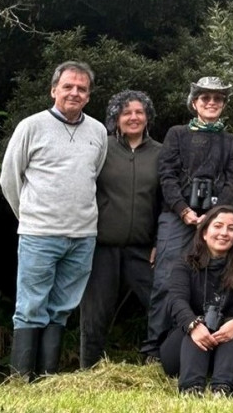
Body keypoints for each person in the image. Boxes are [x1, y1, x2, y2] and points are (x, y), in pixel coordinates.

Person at [0, 61, 107, 379]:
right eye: (68, 86)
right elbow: (9, 179)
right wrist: (30, 215)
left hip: (83, 234)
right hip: (39, 233)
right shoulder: (30, 127)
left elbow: (93, 174)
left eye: (82, 88)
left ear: (88, 96)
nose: (75, 92)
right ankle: (21, 379)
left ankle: (47, 379)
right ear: (54, 90)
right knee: (31, 307)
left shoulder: (98, 131)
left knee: (61, 308)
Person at [142, 77, 233, 359]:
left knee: (210, 282)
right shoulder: (177, 134)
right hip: (176, 217)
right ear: (194, 102)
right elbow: (167, 175)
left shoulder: (232, 142)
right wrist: (183, 210)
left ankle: (200, 343)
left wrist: (213, 217)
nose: (211, 103)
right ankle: (155, 347)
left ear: (223, 104)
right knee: (165, 280)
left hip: (215, 222)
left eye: (218, 98)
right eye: (205, 98)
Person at [79, 90, 162, 368]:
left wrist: (159, 241)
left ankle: (156, 361)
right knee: (96, 311)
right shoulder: (101, 148)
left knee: (158, 302)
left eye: (139, 112)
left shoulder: (161, 153)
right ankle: (89, 369)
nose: (133, 117)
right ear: (115, 118)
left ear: (148, 117)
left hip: (143, 247)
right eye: (126, 113)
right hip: (103, 245)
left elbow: (166, 202)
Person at [159, 205, 233, 396]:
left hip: (230, 345)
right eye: (218, 226)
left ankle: (223, 388)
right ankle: (191, 388)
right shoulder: (185, 263)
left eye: (231, 228)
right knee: (193, 326)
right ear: (204, 232)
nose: (224, 233)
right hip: (186, 346)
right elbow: (176, 300)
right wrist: (194, 325)